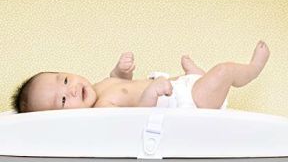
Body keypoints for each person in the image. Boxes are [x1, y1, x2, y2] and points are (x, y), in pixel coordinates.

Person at [11, 41, 270, 113]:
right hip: (191, 104)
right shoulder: (101, 109)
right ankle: (251, 70)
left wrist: (121, 72)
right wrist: (151, 93)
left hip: (179, 88)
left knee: (187, 78)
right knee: (223, 70)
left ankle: (193, 75)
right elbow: (136, 117)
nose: (70, 90)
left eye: (65, 80)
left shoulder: (99, 86)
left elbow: (120, 85)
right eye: (63, 101)